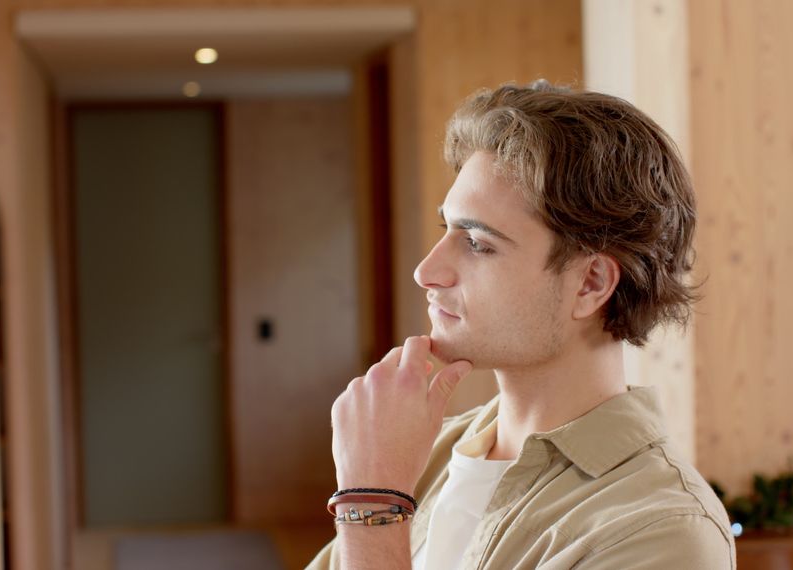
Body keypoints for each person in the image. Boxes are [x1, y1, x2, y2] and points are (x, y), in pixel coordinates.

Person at [306, 81, 734, 569]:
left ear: (591, 282)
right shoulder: (419, 450)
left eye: (477, 243)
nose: (426, 271)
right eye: (445, 229)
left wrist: (372, 505)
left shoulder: (664, 530)